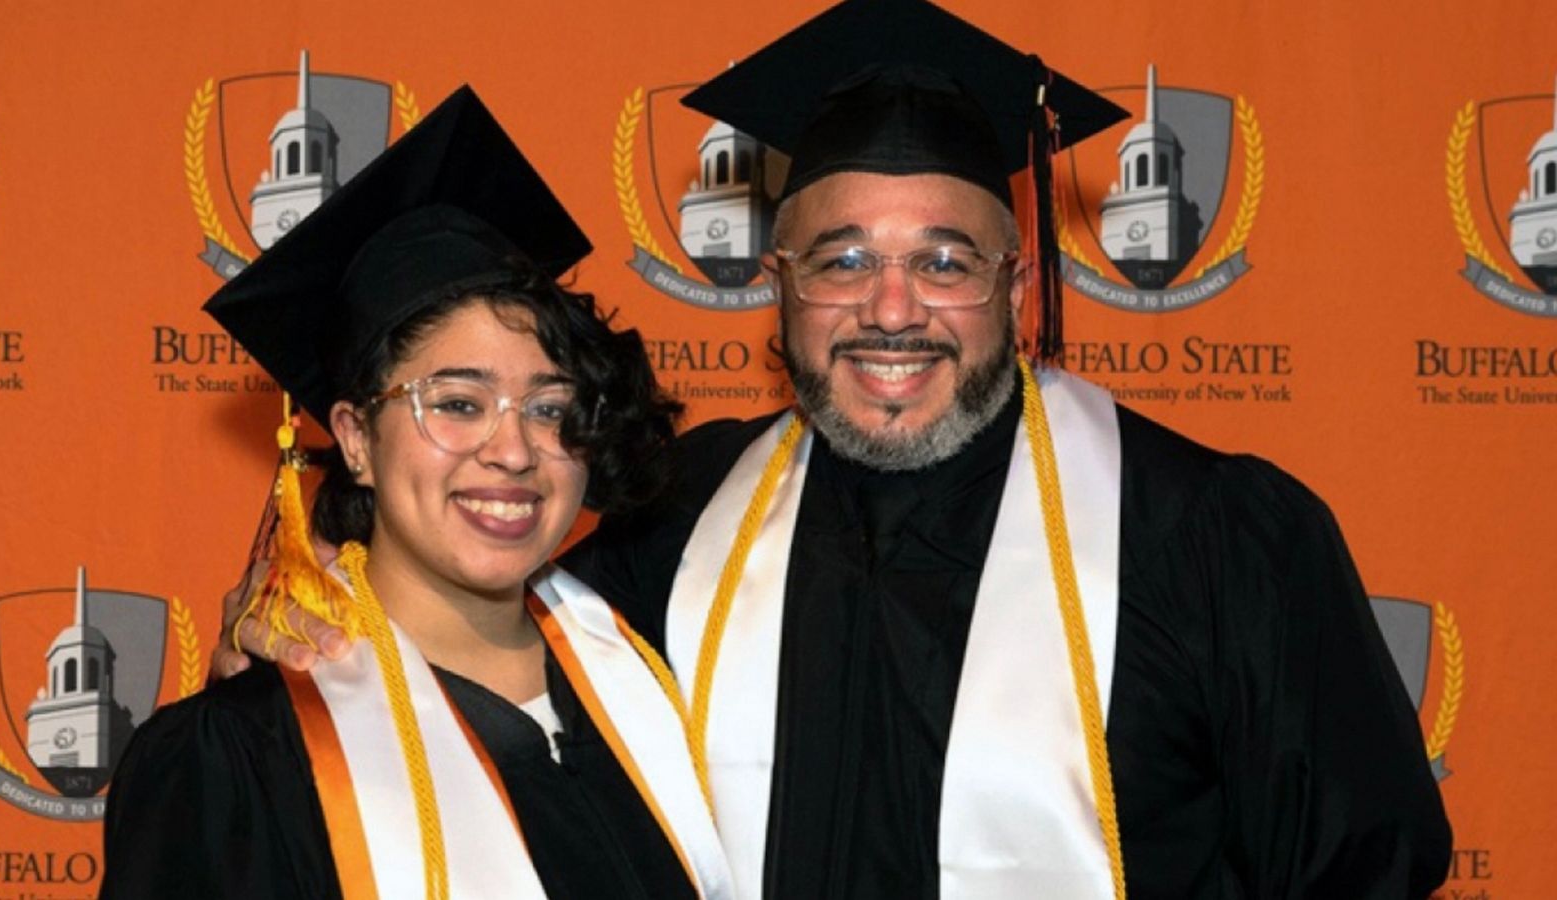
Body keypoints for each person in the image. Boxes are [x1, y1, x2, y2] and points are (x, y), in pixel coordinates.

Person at [216, 2, 1452, 897]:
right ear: (778, 288)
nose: (893, 308)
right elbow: (467, 622)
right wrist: (303, 610)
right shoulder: (672, 516)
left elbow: (1365, 874)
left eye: (946, 261)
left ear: (1021, 294)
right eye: (845, 259)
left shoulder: (1221, 535)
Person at [104, 87, 732, 900]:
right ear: (357, 439)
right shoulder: (247, 753)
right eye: (457, 404)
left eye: (549, 409)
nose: (512, 451)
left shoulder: (656, 683)